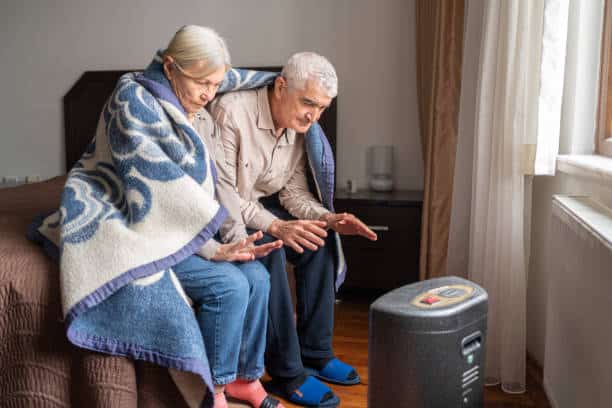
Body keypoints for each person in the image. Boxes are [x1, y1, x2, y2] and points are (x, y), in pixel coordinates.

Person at [209, 52, 377, 407]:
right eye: (308, 104)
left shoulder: (302, 128)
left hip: (265, 206)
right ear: (281, 86)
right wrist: (276, 227)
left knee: (319, 238)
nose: (313, 117)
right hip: (223, 212)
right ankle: (288, 374)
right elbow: (225, 197)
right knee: (268, 249)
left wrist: (328, 219)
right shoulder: (231, 113)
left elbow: (292, 191)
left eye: (321, 109)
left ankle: (315, 352)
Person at [160, 26, 285, 408]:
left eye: (215, 84)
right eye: (201, 82)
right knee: (228, 286)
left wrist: (235, 238)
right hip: (163, 237)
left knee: (258, 279)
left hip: (199, 232)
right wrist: (214, 250)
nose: (208, 94)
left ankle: (245, 379)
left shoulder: (202, 118)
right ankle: (213, 390)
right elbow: (167, 203)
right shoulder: (149, 116)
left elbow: (221, 188)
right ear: (169, 68)